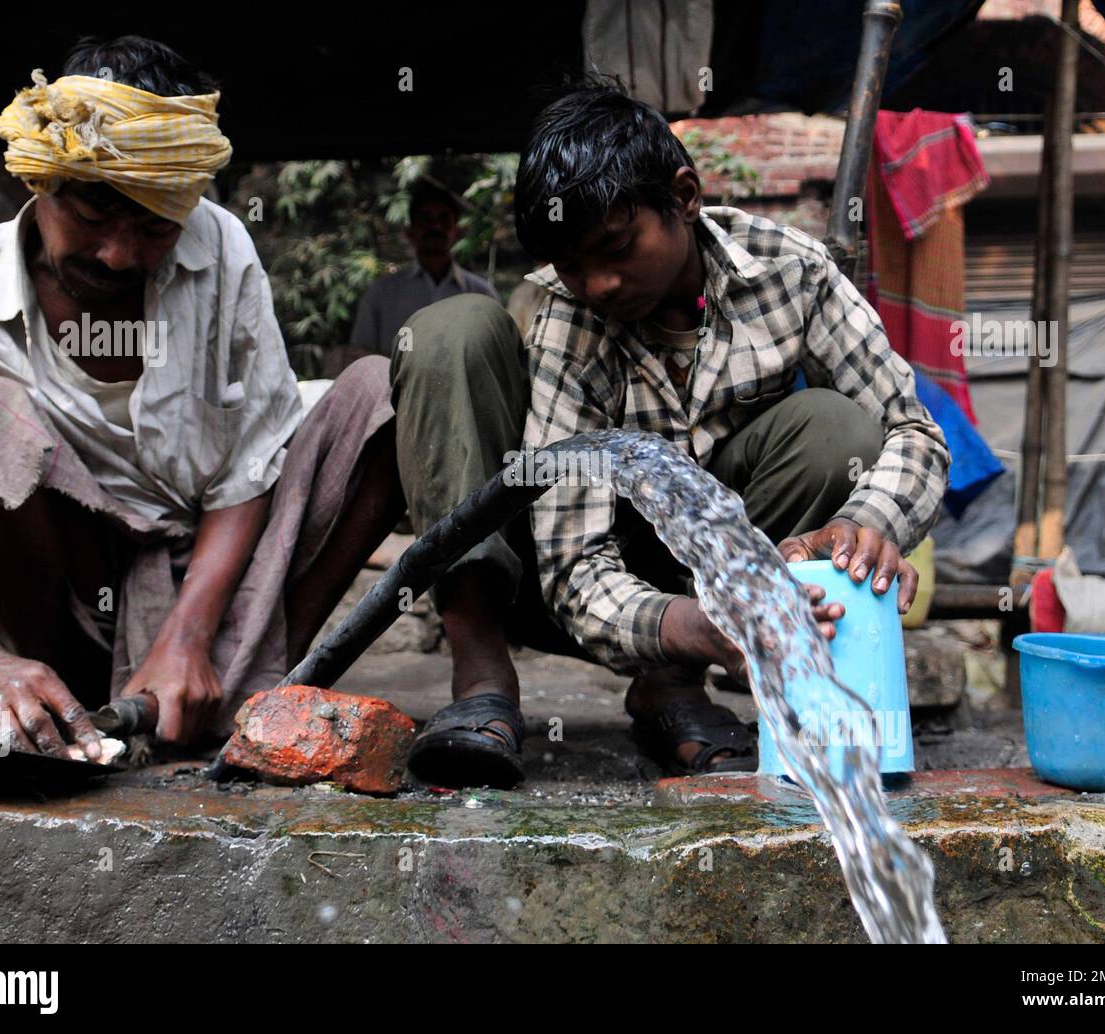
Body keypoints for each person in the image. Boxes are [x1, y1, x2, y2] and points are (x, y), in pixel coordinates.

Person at [389, 82, 951, 789]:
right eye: (570, 265)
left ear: (684, 196)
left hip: (713, 571)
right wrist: (693, 623)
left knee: (837, 431)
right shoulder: (573, 321)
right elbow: (571, 570)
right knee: (452, 328)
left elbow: (915, 433)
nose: (597, 284)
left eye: (616, 248)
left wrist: (863, 525)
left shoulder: (791, 273)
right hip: (558, 590)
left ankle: (672, 687)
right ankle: (482, 679)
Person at [0, 36, 405, 759]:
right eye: (95, 210)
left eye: (153, 223)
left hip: (225, 600)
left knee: (382, 392)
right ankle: (51, 699)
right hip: (57, 601)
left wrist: (187, 637)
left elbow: (249, 465)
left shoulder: (223, 246)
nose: (118, 255)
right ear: (37, 182)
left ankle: (194, 687)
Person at [351, 181, 498, 356]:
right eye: (426, 219)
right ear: (409, 231)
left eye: (444, 219)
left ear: (458, 232)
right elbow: (361, 356)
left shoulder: (482, 295)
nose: (436, 226)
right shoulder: (381, 294)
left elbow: (497, 358)